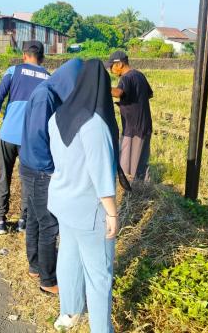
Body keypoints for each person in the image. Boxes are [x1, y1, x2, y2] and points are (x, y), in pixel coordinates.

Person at [47, 59, 119, 332]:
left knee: (68, 256)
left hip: (63, 202)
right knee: (99, 275)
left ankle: (68, 313)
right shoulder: (94, 124)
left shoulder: (58, 117)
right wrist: (112, 212)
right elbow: (101, 173)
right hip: (89, 211)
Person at [19, 58, 84, 295]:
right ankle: (48, 280)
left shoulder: (50, 90)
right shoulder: (46, 95)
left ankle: (35, 266)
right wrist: (51, 170)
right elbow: (38, 136)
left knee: (36, 219)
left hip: (32, 166)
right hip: (39, 169)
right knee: (49, 223)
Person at [0, 41, 49, 235]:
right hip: (31, 140)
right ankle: (24, 220)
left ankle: (0, 220)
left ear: (24, 55)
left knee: (3, 176)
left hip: (7, 134)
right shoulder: (48, 78)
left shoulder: (13, 71)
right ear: (42, 57)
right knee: (28, 181)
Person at [106, 50, 153, 181]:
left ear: (120, 64)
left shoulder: (126, 77)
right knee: (141, 162)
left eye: (111, 66)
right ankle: (143, 188)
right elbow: (149, 94)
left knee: (127, 165)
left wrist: (101, 85)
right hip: (145, 125)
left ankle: (131, 192)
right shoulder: (139, 75)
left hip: (133, 129)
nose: (111, 70)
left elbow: (118, 92)